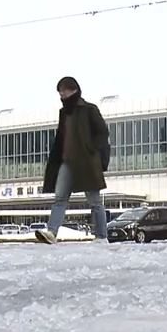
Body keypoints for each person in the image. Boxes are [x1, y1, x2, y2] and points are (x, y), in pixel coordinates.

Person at [37, 77, 111, 244]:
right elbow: (61, 138)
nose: (61, 94)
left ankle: (101, 236)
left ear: (73, 90)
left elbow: (102, 133)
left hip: (86, 162)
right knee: (60, 198)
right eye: (60, 91)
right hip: (67, 162)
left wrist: (90, 149)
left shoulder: (89, 109)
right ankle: (52, 232)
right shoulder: (64, 113)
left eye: (63, 90)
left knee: (94, 201)